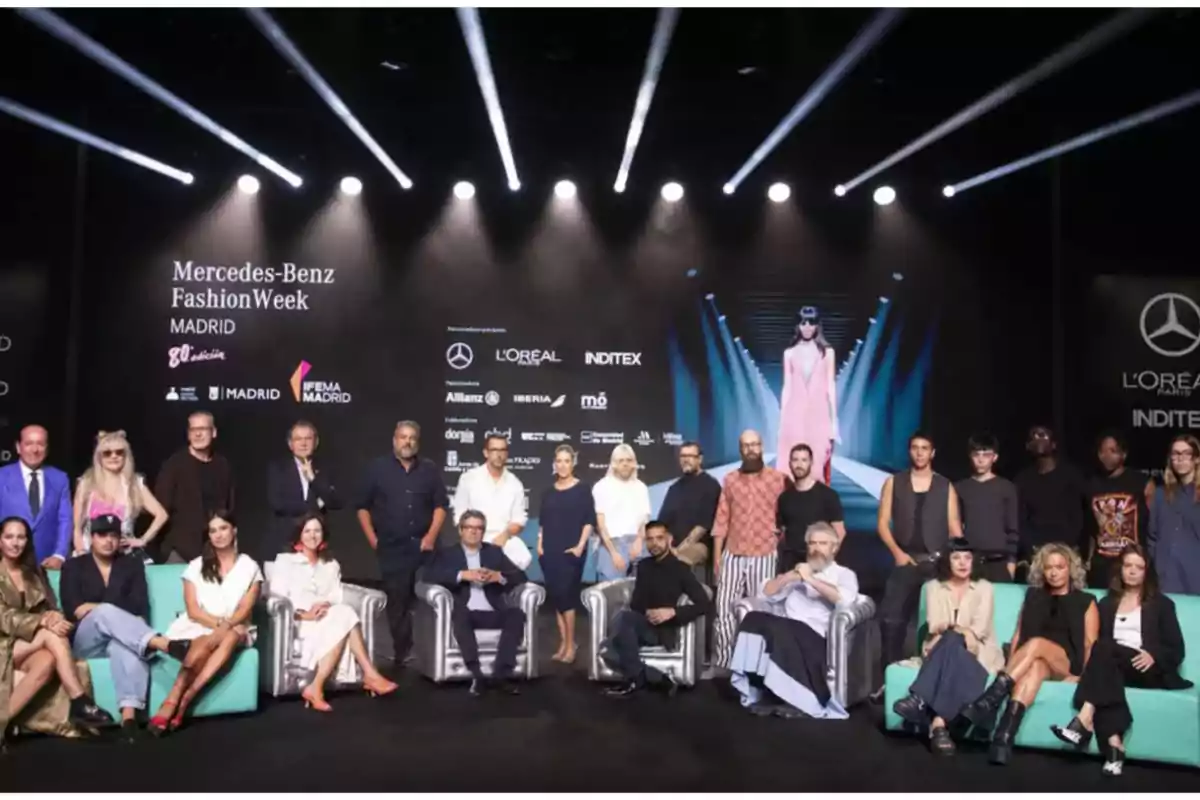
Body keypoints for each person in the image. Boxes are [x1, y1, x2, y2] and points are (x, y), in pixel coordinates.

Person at [1051, 544, 1192, 775]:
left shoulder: (1162, 604)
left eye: (1139, 567)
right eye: (1128, 565)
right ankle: (1115, 748)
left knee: (1104, 649)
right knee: (1106, 662)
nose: (1133, 571)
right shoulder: (1106, 604)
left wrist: (1154, 655)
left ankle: (1084, 719)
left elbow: (1177, 650)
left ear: (1147, 571)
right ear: (1120, 569)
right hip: (1115, 669)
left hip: (1147, 669)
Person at [961, 542, 1099, 765]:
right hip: (1036, 661)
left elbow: (1089, 643)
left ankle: (988, 702)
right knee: (1035, 667)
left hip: (1065, 663)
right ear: (1042, 570)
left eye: (1060, 567)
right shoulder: (1033, 596)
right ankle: (1003, 738)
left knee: (1036, 644)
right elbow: (1018, 635)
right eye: (1048, 567)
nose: (1053, 572)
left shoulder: (1085, 601)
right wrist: (1010, 666)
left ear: (1070, 569)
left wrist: (1084, 676)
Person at [58, 513, 187, 740]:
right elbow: (75, 610)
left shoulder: (131, 565)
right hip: (85, 640)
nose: (108, 541)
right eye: (101, 535)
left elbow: (139, 610)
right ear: (92, 538)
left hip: (124, 636)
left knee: (125, 645)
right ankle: (163, 644)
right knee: (105, 612)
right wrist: (106, 609)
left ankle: (128, 719)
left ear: (120, 539)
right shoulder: (74, 566)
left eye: (113, 536)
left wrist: (96, 607)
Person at [0, 515, 113, 753]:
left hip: (27, 643)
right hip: (5, 641)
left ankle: (4, 722)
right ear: (0, 540)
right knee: (52, 635)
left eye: (21, 537)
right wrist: (43, 621)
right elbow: (3, 617)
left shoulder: (33, 573)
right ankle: (79, 700)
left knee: (49, 659)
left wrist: (55, 617)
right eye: (9, 536)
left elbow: (51, 608)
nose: (15, 542)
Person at [148, 510, 262, 736]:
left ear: (234, 530)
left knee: (232, 634)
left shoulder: (250, 566)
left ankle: (177, 699)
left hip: (237, 626)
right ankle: (180, 702)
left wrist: (226, 625)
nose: (218, 535)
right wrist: (219, 625)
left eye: (223, 528)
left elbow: (244, 610)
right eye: (213, 530)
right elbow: (193, 610)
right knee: (214, 639)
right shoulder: (196, 566)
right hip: (198, 624)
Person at [730, 522, 859, 719]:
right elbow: (764, 594)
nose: (816, 549)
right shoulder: (797, 574)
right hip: (787, 632)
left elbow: (845, 600)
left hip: (815, 638)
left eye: (823, 543)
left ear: (834, 548)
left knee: (781, 628)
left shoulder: (843, 574)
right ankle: (762, 690)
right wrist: (789, 577)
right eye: (812, 543)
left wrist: (811, 580)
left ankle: (800, 700)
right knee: (754, 618)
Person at [270, 514, 397, 712]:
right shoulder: (285, 562)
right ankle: (370, 674)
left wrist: (326, 606)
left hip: (327, 618)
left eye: (317, 531)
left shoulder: (330, 565)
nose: (313, 536)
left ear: (323, 535)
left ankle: (317, 686)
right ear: (299, 535)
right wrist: (305, 615)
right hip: (299, 623)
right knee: (345, 616)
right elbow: (276, 598)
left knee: (343, 613)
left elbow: (336, 596)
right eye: (308, 531)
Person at [891, 538, 1005, 755]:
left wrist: (953, 629)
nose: (962, 563)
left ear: (974, 561)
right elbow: (935, 623)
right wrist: (958, 630)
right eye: (956, 558)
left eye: (967, 558)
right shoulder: (933, 587)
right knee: (952, 642)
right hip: (944, 647)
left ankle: (919, 699)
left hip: (978, 651)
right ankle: (939, 727)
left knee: (951, 639)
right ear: (947, 561)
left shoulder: (985, 588)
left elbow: (978, 630)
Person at [876, 432, 964, 695]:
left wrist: (956, 561)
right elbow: (882, 523)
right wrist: (896, 553)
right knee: (891, 620)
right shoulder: (894, 482)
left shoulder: (945, 485)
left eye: (925, 448)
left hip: (936, 563)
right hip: (905, 560)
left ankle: (929, 683)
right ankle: (889, 682)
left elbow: (954, 527)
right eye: (915, 448)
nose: (919, 453)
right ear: (909, 451)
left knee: (935, 623)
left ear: (932, 453)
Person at [356, 421, 448, 668]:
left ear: (417, 442)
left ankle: (434, 649)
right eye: (402, 437)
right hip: (392, 546)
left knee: (431, 597)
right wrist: (373, 540)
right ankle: (403, 651)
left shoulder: (429, 469)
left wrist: (430, 537)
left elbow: (441, 506)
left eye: (412, 438)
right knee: (397, 602)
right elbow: (362, 508)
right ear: (394, 440)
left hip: (424, 545)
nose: (407, 442)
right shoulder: (377, 469)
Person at [601, 520, 711, 698]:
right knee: (607, 647)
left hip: (664, 630)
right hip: (643, 624)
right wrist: (647, 611)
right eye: (650, 539)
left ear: (669, 539)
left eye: (659, 538)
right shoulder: (644, 566)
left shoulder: (681, 569)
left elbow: (704, 604)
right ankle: (658, 678)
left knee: (616, 633)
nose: (655, 543)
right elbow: (636, 603)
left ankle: (636, 680)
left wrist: (672, 612)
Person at [425, 510, 526, 697]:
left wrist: (499, 577)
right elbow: (429, 576)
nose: (474, 531)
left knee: (516, 615)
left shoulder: (494, 552)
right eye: (469, 527)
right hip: (466, 612)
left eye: (479, 528)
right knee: (461, 615)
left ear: (483, 531)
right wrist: (463, 575)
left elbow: (520, 576)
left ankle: (501, 675)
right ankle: (477, 674)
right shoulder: (448, 554)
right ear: (460, 530)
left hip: (492, 611)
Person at [711, 430, 789, 670]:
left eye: (755, 444)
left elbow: (790, 513)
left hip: (764, 553)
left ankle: (757, 665)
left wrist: (781, 535)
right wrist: (717, 557)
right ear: (740, 450)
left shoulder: (779, 479)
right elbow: (721, 519)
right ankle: (725, 663)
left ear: (762, 446)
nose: (751, 449)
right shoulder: (730, 480)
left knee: (761, 612)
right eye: (746, 445)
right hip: (733, 553)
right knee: (724, 610)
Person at [536, 445, 595, 664]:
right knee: (558, 599)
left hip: (571, 551)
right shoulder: (548, 492)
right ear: (554, 463)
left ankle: (571, 645)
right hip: (549, 551)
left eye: (566, 461)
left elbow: (589, 520)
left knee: (567, 598)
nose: (562, 465)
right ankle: (564, 643)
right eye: (559, 461)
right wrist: (540, 545)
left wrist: (580, 546)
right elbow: (542, 522)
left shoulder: (582, 489)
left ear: (573, 463)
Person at [154, 411, 236, 563]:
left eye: (203, 429)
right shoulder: (174, 465)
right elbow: (160, 507)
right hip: (180, 552)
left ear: (214, 432)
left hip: (214, 551)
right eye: (193, 430)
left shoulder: (222, 465)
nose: (198, 434)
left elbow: (229, 509)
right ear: (188, 434)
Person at [72, 430, 169, 558]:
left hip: (124, 557)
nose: (114, 456)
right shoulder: (86, 484)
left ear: (126, 456)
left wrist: (142, 540)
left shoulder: (135, 484)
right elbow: (77, 528)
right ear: (99, 457)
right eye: (107, 453)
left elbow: (161, 515)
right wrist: (81, 552)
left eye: (119, 452)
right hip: (89, 555)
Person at [775, 306, 840, 484]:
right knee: (790, 467)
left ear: (817, 325)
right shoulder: (789, 353)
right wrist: (781, 422)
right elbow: (786, 388)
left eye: (811, 322)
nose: (807, 327)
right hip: (793, 417)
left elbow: (830, 387)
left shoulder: (827, 353)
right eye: (803, 322)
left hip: (819, 418)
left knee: (817, 467)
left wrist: (835, 423)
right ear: (798, 325)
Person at [265, 420, 343, 560]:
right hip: (285, 544)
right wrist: (316, 506)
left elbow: (335, 502)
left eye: (308, 438)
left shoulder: (326, 469)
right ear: (290, 444)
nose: (303, 443)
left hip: (317, 545)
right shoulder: (278, 468)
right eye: (298, 439)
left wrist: (314, 479)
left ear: (316, 442)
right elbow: (278, 504)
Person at [451, 433, 531, 570]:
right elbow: (459, 515)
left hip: (503, 538)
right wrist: (473, 537)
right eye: (494, 450)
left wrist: (504, 536)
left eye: (502, 450)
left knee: (523, 557)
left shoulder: (515, 483)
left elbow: (519, 520)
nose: (499, 454)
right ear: (486, 453)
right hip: (474, 537)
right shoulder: (469, 478)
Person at [1085, 431, 1152, 588]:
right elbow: (1091, 529)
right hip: (1101, 565)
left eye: (1113, 451)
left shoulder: (1141, 483)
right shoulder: (1091, 484)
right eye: (1103, 451)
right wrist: (1088, 560)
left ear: (1124, 454)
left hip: (1131, 563)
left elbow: (1154, 526)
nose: (1107, 456)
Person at [0, 425, 72, 569]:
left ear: (47, 449)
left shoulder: (60, 479)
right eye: (29, 444)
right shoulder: (2, 477)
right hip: (5, 564)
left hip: (47, 564)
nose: (35, 449)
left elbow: (65, 519)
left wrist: (59, 555)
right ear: (18, 447)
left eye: (40, 444)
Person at [1015, 425, 1087, 568]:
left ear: (1054, 444)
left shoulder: (1072, 476)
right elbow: (1021, 520)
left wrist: (1064, 549)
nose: (1038, 439)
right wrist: (1033, 549)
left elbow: (1079, 517)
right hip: (1035, 553)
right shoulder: (1022, 480)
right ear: (1028, 446)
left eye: (1043, 435)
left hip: (1067, 551)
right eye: (1034, 436)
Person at [954, 433, 1018, 584]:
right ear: (970, 456)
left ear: (994, 457)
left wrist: (1011, 564)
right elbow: (955, 527)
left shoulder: (1007, 488)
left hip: (998, 562)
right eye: (976, 454)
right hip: (970, 562)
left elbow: (1013, 529)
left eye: (986, 455)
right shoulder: (960, 488)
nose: (981, 459)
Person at [776, 443, 846, 575]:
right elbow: (782, 532)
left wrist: (826, 560)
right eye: (795, 460)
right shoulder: (784, 498)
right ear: (789, 463)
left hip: (820, 563)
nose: (799, 464)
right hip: (792, 565)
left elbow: (840, 532)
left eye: (804, 460)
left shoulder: (828, 496)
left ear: (811, 462)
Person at [1148, 434, 1200, 594]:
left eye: (1186, 453)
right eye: (1176, 454)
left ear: (1196, 458)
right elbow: (1152, 536)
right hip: (1167, 578)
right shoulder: (1160, 494)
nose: (1180, 458)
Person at [656, 441, 722, 569]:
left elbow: (702, 527)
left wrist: (678, 551)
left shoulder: (710, 485)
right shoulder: (674, 488)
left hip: (698, 544)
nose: (686, 460)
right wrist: (667, 547)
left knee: (676, 562)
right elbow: (663, 524)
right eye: (683, 456)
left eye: (690, 456)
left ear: (700, 459)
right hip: (672, 546)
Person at [592, 444, 652, 582]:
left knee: (644, 587)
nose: (625, 464)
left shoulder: (641, 487)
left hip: (637, 542)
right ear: (614, 464)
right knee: (613, 592)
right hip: (610, 544)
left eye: (629, 460)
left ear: (634, 464)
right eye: (621, 461)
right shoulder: (601, 486)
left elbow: (644, 521)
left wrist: (638, 541)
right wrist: (614, 553)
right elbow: (600, 526)